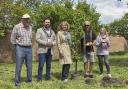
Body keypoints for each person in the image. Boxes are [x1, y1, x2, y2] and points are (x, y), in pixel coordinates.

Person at [10, 14, 33, 86]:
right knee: (19, 66)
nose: (27, 20)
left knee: (29, 66)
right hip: (20, 48)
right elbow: (12, 38)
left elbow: (31, 38)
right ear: (22, 19)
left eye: (28, 19)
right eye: (25, 19)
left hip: (29, 48)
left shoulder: (30, 27)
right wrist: (16, 46)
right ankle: (17, 83)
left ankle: (29, 81)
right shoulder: (17, 27)